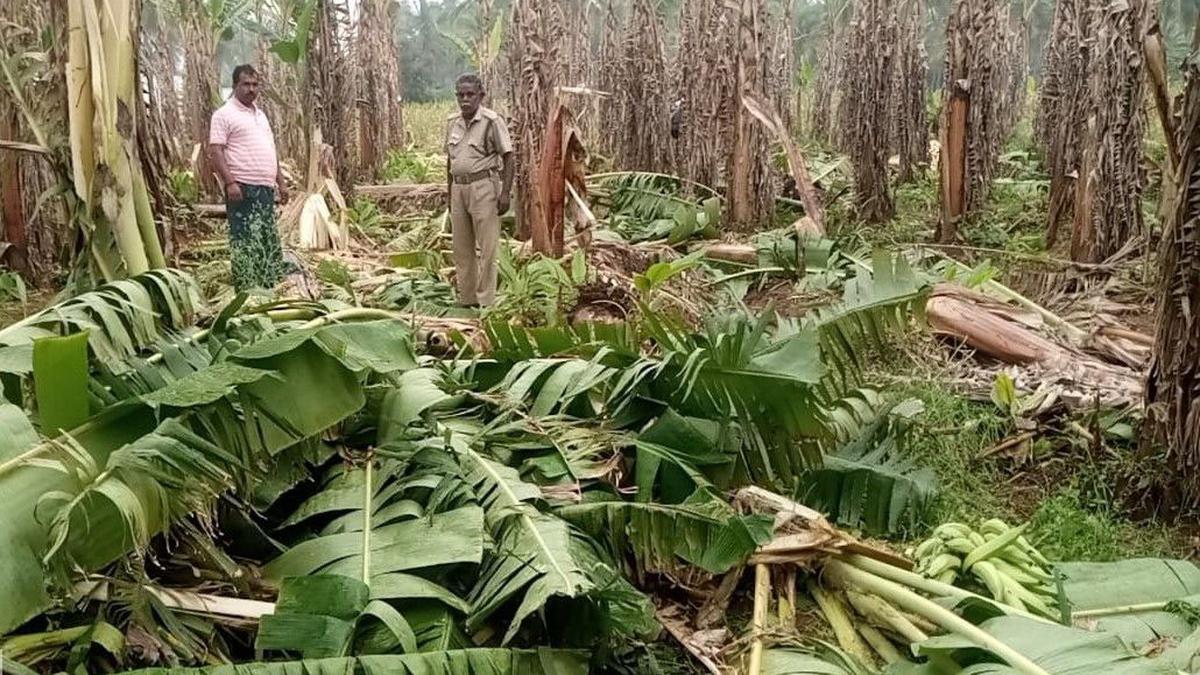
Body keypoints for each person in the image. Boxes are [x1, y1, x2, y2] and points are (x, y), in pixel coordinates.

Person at [209, 64, 292, 291]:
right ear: (235, 85)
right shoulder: (224, 115)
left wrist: (281, 183)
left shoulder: (261, 115)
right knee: (244, 236)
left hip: (264, 187)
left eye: (255, 85)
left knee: (265, 235)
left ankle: (267, 285)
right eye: (246, 84)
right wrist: (230, 182)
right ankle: (246, 288)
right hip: (242, 187)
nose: (251, 89)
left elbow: (271, 150)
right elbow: (216, 151)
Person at [445, 73, 514, 308]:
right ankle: (467, 299)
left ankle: (486, 302)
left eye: (470, 94)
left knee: (487, 249)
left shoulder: (491, 121)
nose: (465, 99)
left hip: (484, 187)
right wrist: (449, 192)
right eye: (461, 95)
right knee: (462, 249)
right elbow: (450, 160)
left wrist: (505, 193)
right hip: (459, 188)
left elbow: (508, 156)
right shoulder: (452, 123)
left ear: (480, 95)